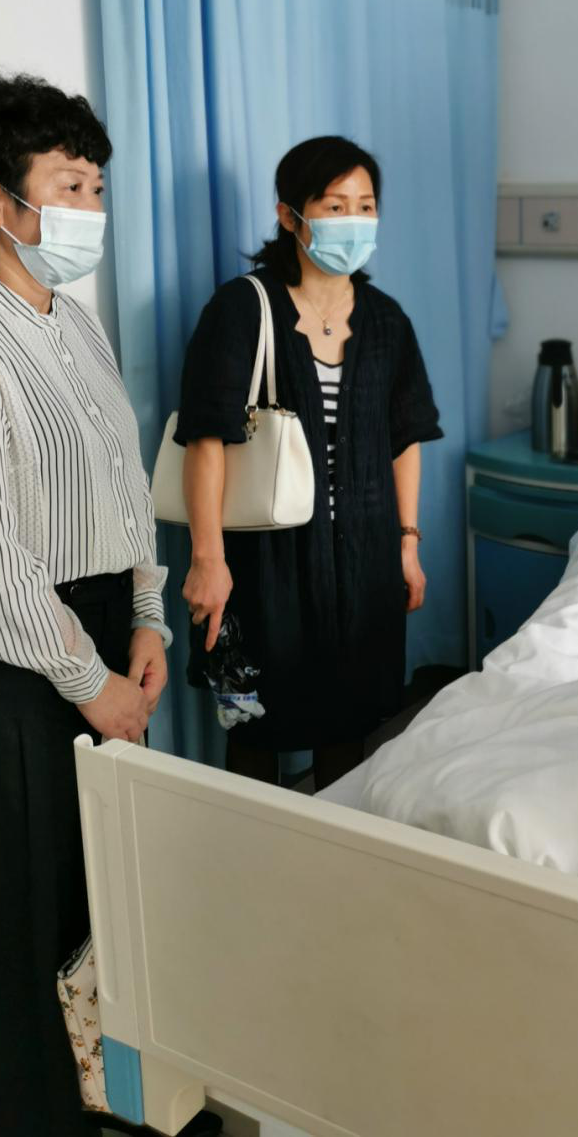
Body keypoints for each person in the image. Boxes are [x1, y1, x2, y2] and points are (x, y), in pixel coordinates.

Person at [0, 73, 170, 1137]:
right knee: (13, 909)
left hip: (103, 635)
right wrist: (89, 681)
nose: (91, 208)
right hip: (1, 660)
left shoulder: (78, 323)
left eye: (98, 186)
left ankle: (114, 1100)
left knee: (101, 893)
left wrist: (149, 614)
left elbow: (123, 483)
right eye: (70, 185)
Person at [176, 137, 442, 791]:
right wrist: (208, 560)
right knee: (251, 726)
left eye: (365, 206)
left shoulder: (386, 322)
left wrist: (407, 545)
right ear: (290, 216)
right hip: (262, 569)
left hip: (366, 563)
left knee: (350, 728)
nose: (353, 220)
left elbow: (404, 440)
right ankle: (253, 847)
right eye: (334, 205)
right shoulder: (243, 309)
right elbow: (206, 440)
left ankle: (332, 846)